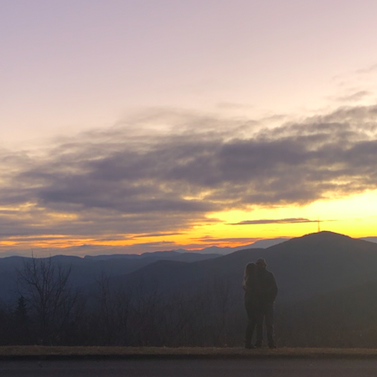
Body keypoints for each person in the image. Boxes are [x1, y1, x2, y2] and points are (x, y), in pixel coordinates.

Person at [255, 258, 278, 349]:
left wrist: (270, 300)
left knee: (267, 324)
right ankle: (263, 343)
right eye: (258, 264)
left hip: (266, 303)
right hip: (262, 303)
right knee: (262, 324)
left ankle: (268, 343)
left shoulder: (267, 275)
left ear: (264, 265)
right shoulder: (268, 275)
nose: (259, 266)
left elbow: (274, 289)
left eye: (260, 264)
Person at [243, 262, 259, 349]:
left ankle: (248, 342)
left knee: (251, 321)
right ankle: (248, 342)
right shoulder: (253, 279)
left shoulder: (247, 279)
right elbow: (256, 291)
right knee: (252, 321)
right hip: (252, 302)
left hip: (248, 302)